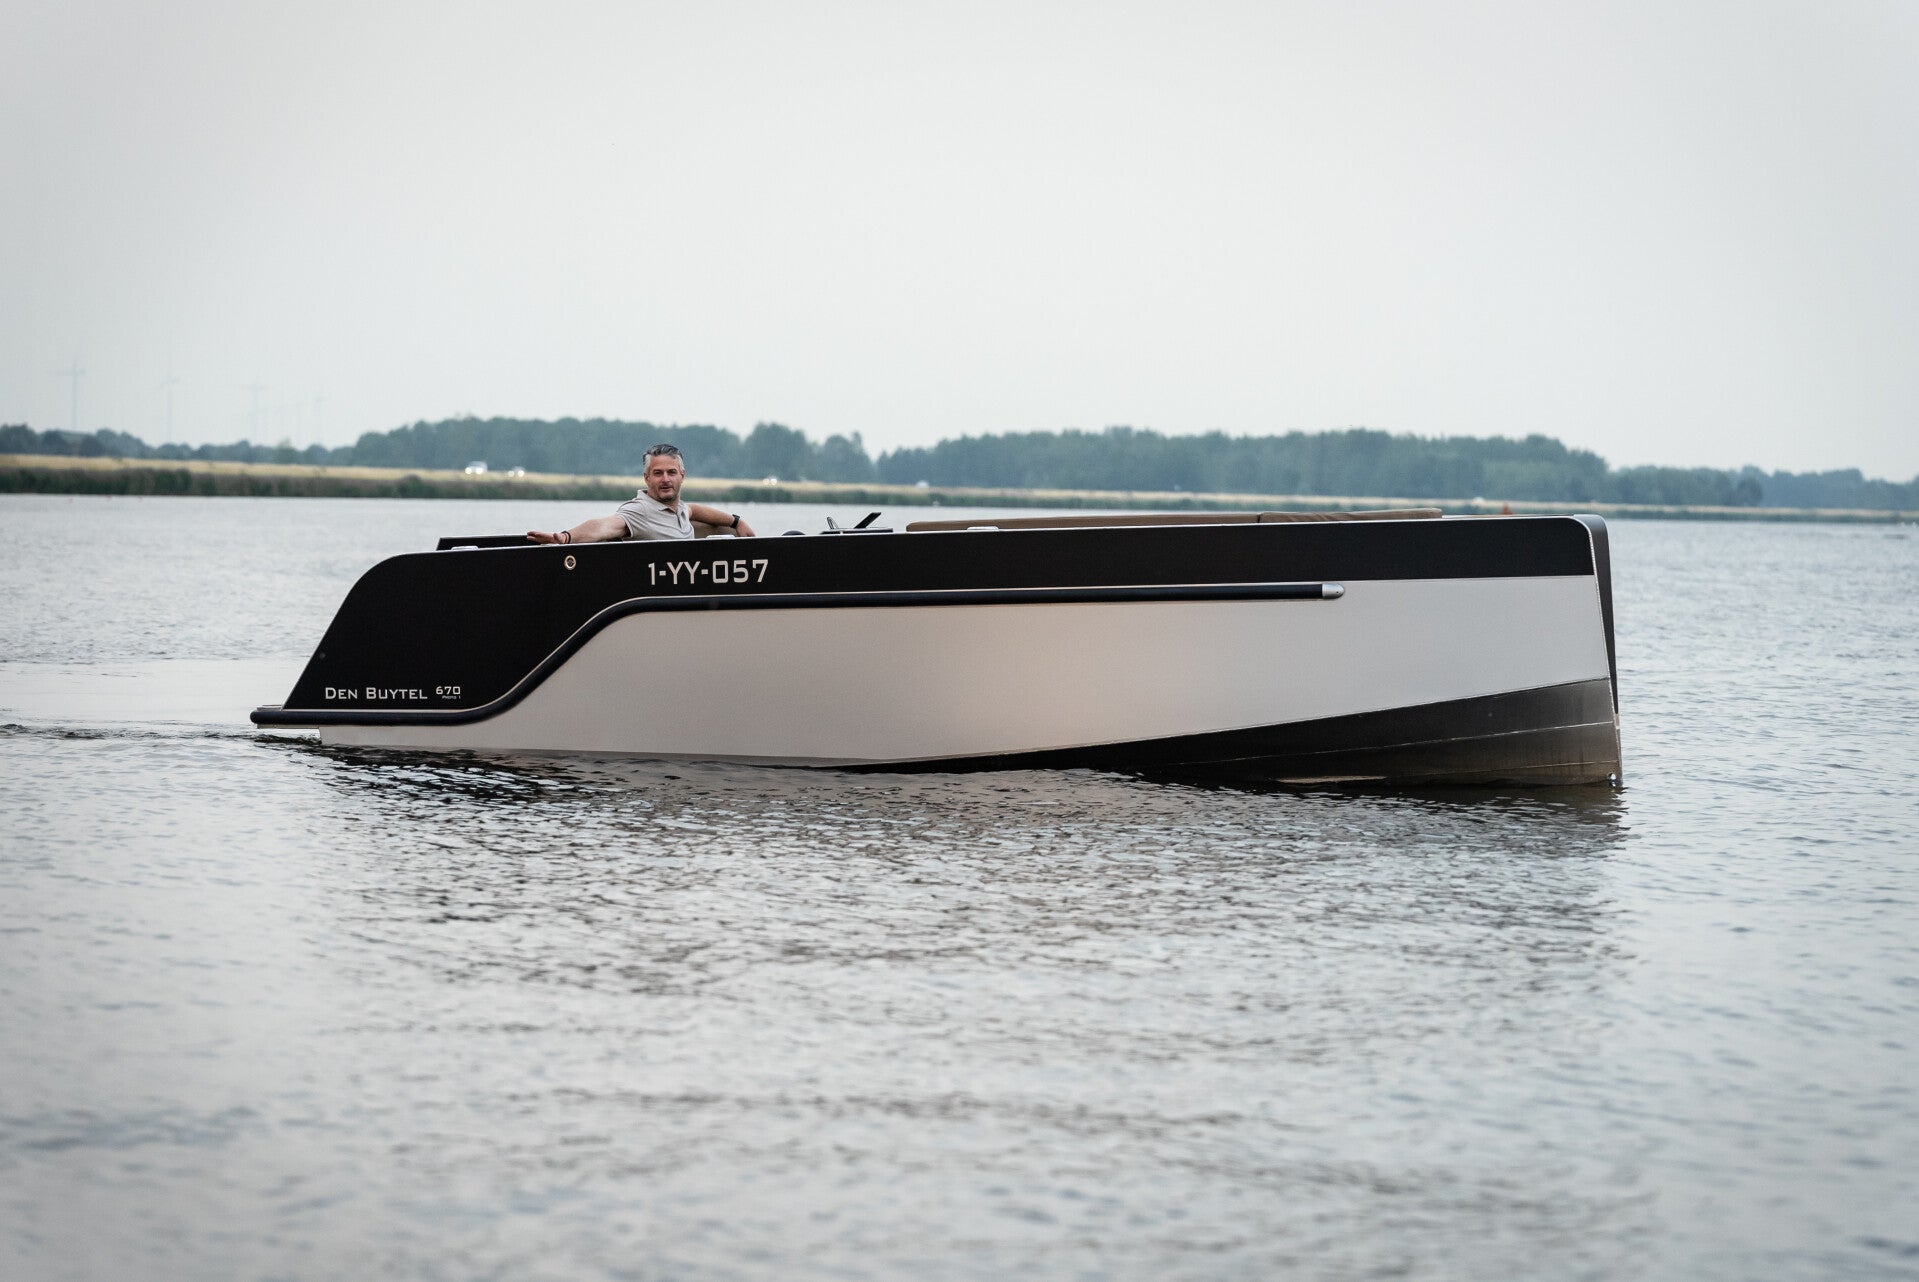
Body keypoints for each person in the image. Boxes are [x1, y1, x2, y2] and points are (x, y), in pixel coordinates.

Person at [527, 444, 756, 544]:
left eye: (671, 472)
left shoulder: (680, 509)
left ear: (682, 475)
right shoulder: (639, 510)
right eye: (658, 473)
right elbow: (603, 526)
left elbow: (695, 510)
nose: (665, 479)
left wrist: (736, 521)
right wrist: (565, 538)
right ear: (647, 478)